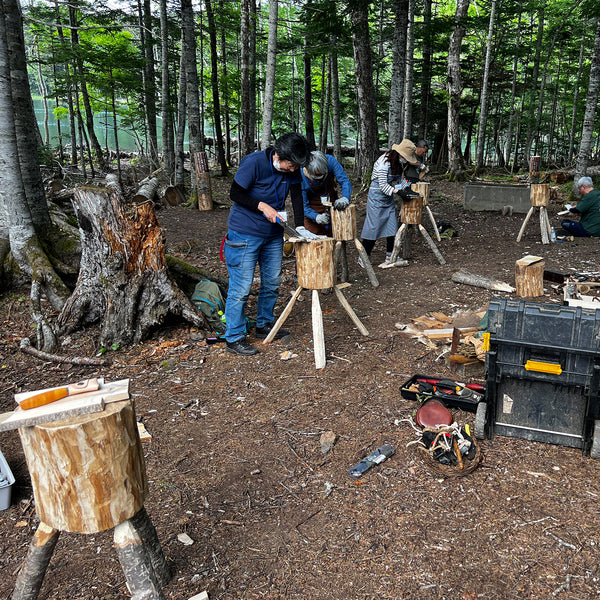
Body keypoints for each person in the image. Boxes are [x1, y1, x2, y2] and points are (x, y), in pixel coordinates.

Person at [224, 132, 311, 356]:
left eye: (296, 167)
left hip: (273, 234)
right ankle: (234, 337)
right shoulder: (253, 163)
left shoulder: (293, 168)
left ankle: (264, 324)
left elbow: (297, 196)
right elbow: (235, 193)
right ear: (277, 155)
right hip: (244, 234)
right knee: (241, 288)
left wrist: (300, 226)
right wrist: (262, 206)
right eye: (290, 165)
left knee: (271, 282)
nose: (293, 170)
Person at [359, 145, 419, 264]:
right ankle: (363, 257)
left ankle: (390, 255)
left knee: (392, 227)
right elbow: (382, 185)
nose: (406, 160)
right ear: (400, 154)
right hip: (376, 198)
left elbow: (396, 182)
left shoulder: (397, 164)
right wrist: (398, 192)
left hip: (388, 198)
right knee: (373, 228)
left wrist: (406, 187)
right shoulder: (384, 163)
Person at [300, 151, 352, 236]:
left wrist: (345, 197)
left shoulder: (331, 161)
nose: (320, 181)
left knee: (335, 236)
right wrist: (315, 216)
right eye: (316, 178)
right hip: (312, 207)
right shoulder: (300, 175)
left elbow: (344, 181)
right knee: (313, 241)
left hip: (331, 203)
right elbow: (302, 205)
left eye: (322, 176)